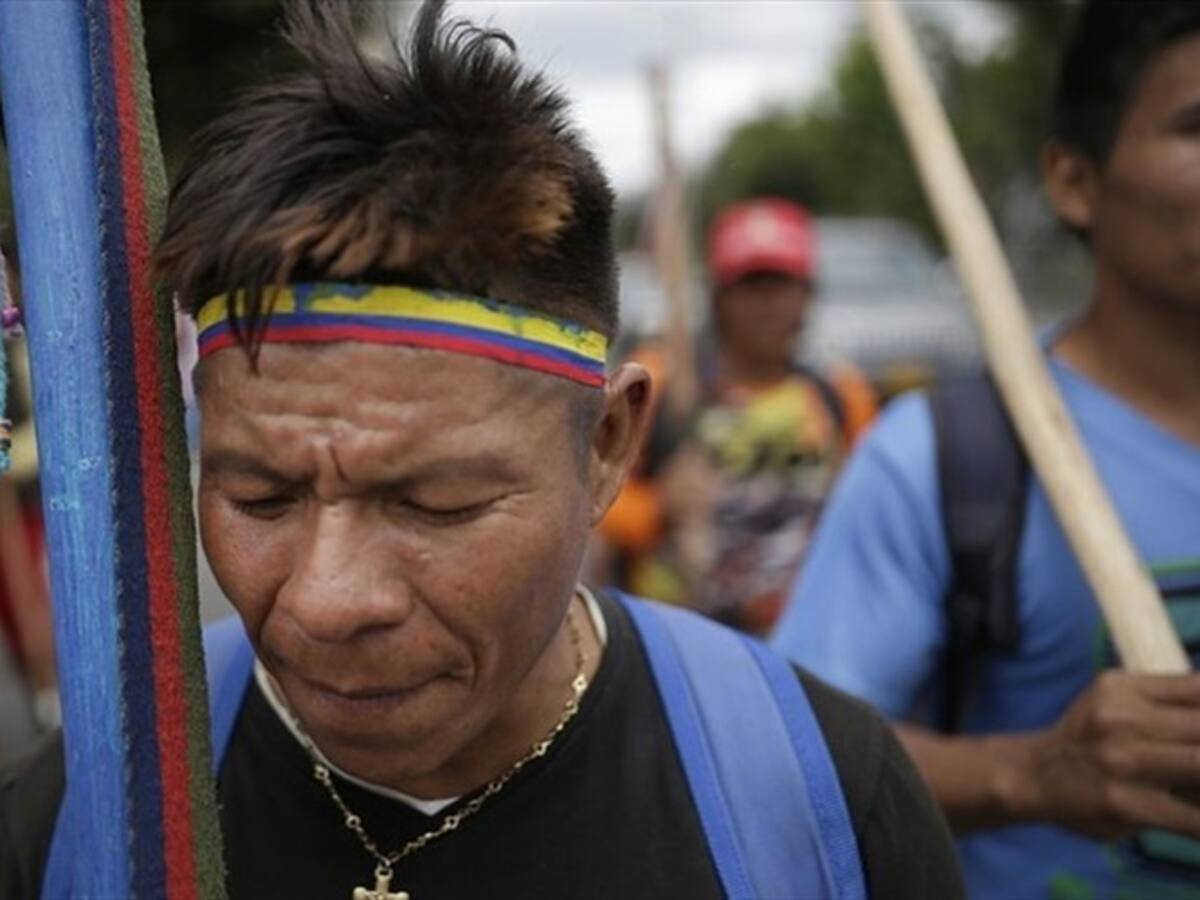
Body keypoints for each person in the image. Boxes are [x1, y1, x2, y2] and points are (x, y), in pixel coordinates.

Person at [0, 3, 960, 897]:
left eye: (436, 505)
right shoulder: (95, 808)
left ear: (607, 445)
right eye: (261, 496)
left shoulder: (816, 801)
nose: (330, 602)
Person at [773, 2, 1200, 897]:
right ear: (1077, 180)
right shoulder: (942, 461)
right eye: (1196, 128)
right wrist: (1032, 772)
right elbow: (787, 762)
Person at [599, 198, 876, 635]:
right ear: (718, 296)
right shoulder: (660, 382)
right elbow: (591, 497)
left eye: (780, 283)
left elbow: (872, 520)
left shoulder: (841, 395)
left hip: (803, 638)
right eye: (750, 283)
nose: (766, 302)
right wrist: (658, 510)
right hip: (674, 636)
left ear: (807, 295)